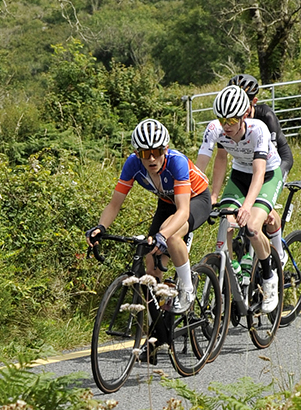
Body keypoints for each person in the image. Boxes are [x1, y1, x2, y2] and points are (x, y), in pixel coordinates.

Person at [87, 118, 211, 313]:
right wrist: (101, 227)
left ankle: (187, 290)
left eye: (157, 152)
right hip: (167, 201)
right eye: (145, 153)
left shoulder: (176, 162)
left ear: (166, 149)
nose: (152, 159)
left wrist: (163, 235)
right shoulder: (132, 164)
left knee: (172, 235)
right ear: (137, 153)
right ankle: (160, 319)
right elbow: (114, 204)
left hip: (196, 199)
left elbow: (183, 211)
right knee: (151, 264)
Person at [196, 85, 282, 312]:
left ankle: (269, 277)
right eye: (222, 119)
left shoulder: (258, 129)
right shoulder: (215, 129)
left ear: (244, 115)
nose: (226, 125)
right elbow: (202, 166)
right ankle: (233, 267)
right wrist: (208, 195)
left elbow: (259, 173)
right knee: (226, 221)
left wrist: (246, 206)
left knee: (252, 227)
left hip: (267, 175)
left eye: (232, 120)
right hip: (239, 175)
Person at [228, 72, 293, 266]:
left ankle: (279, 254)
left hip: (278, 160)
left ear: (254, 101)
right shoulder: (232, 121)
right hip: (250, 165)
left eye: (244, 102)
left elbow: (269, 159)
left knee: (266, 210)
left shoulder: (265, 116)